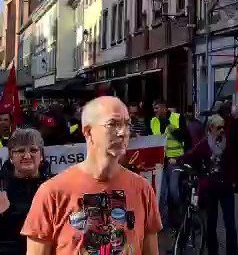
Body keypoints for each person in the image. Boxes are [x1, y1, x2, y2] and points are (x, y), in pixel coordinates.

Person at [21, 96, 162, 255]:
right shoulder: (51, 193)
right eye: (112, 124)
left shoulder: (142, 189)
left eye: (127, 124)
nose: (123, 132)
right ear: (88, 131)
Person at [173, 114, 238, 255]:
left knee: (230, 223)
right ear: (211, 128)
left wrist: (233, 180)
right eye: (218, 128)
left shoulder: (228, 144)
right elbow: (191, 155)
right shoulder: (204, 144)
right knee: (211, 223)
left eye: (223, 127)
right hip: (211, 189)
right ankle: (213, 252)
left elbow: (234, 162)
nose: (221, 130)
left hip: (226, 188)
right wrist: (177, 160)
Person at [0, 129, 51, 255]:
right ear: (11, 157)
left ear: (41, 155)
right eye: (20, 151)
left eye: (33, 150)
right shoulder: (2, 188)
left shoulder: (54, 186)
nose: (27, 156)